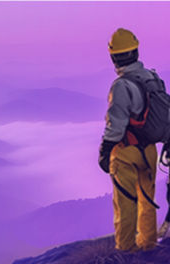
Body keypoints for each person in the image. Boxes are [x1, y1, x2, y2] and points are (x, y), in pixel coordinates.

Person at [98, 28, 161, 252]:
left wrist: (105, 151)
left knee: (126, 204)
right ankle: (149, 245)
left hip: (126, 151)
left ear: (114, 56)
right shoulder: (152, 77)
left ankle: (126, 250)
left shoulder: (121, 86)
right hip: (150, 150)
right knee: (147, 201)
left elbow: (116, 125)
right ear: (135, 51)